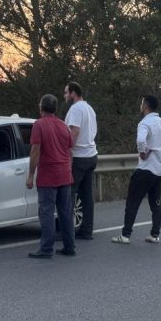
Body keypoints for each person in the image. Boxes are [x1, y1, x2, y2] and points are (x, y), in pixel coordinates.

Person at [111, 95, 161, 244]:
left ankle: (125, 235)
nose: (140, 105)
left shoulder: (145, 123)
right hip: (159, 170)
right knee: (156, 203)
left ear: (146, 106)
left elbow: (141, 140)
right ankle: (155, 234)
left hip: (145, 169)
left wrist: (143, 153)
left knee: (132, 202)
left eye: (142, 103)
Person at [26, 94, 76, 259]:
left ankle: (46, 248)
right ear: (55, 108)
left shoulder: (39, 125)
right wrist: (68, 168)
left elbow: (35, 151)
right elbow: (70, 151)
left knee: (46, 212)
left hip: (48, 175)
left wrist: (31, 175)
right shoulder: (63, 126)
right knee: (66, 212)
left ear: (41, 108)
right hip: (64, 174)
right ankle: (70, 246)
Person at [63, 81, 98, 239]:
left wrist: (67, 150)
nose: (64, 96)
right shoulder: (89, 108)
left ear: (73, 93)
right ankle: (86, 230)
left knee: (68, 194)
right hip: (91, 155)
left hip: (79, 156)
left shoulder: (76, 108)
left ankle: (67, 231)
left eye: (66, 93)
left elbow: (74, 131)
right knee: (86, 195)